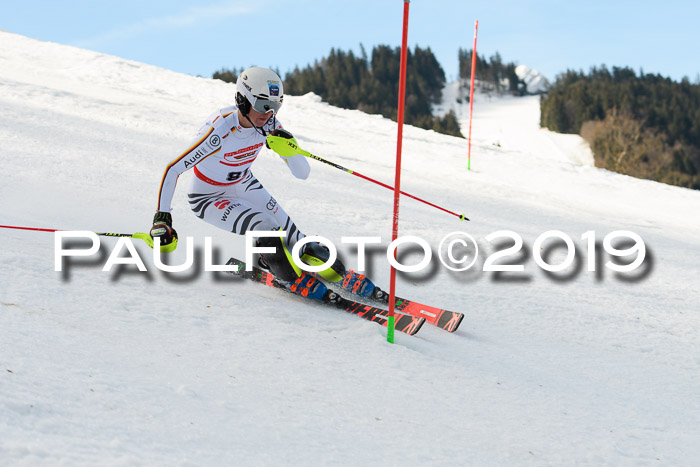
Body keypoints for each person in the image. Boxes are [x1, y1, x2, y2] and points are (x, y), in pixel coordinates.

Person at [150, 66, 384, 302]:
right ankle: (286, 276)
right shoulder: (219, 130)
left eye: (275, 106)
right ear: (242, 100)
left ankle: (338, 275)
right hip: (208, 198)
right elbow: (173, 168)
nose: (268, 113)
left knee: (303, 244)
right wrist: (162, 218)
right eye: (263, 105)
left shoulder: (269, 125)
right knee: (266, 227)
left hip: (244, 183)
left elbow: (302, 173)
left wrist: (290, 148)